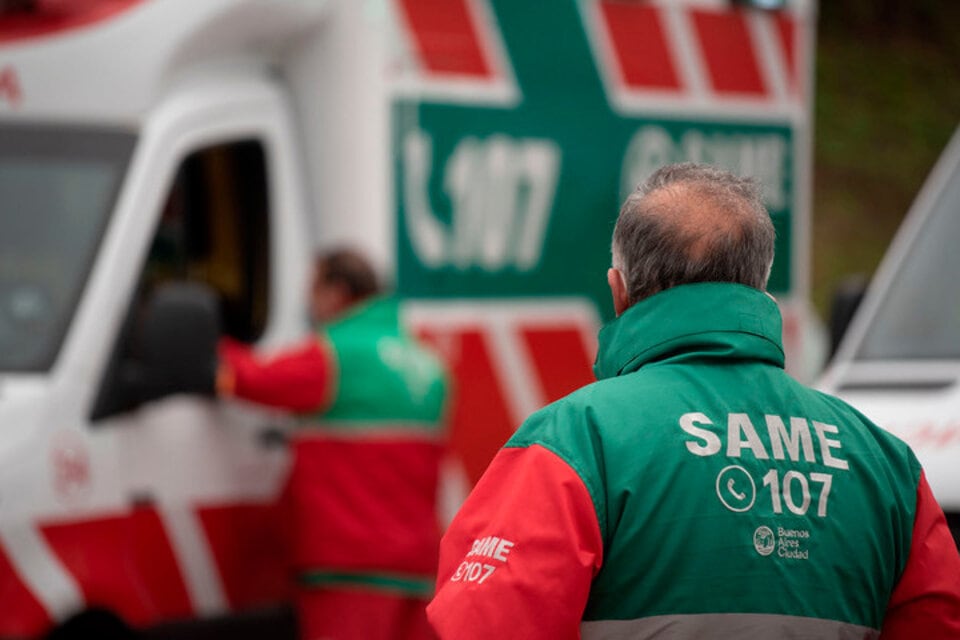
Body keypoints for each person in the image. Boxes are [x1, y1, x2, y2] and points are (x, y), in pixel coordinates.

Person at [426, 163, 960, 639]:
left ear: (619, 291)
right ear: (759, 289)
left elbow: (483, 624)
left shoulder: (577, 443)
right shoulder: (887, 464)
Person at [217, 247, 449, 640]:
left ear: (336, 292)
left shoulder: (334, 354)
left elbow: (249, 378)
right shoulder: (428, 365)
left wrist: (207, 342)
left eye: (312, 289)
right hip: (416, 568)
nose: (308, 303)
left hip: (349, 568)